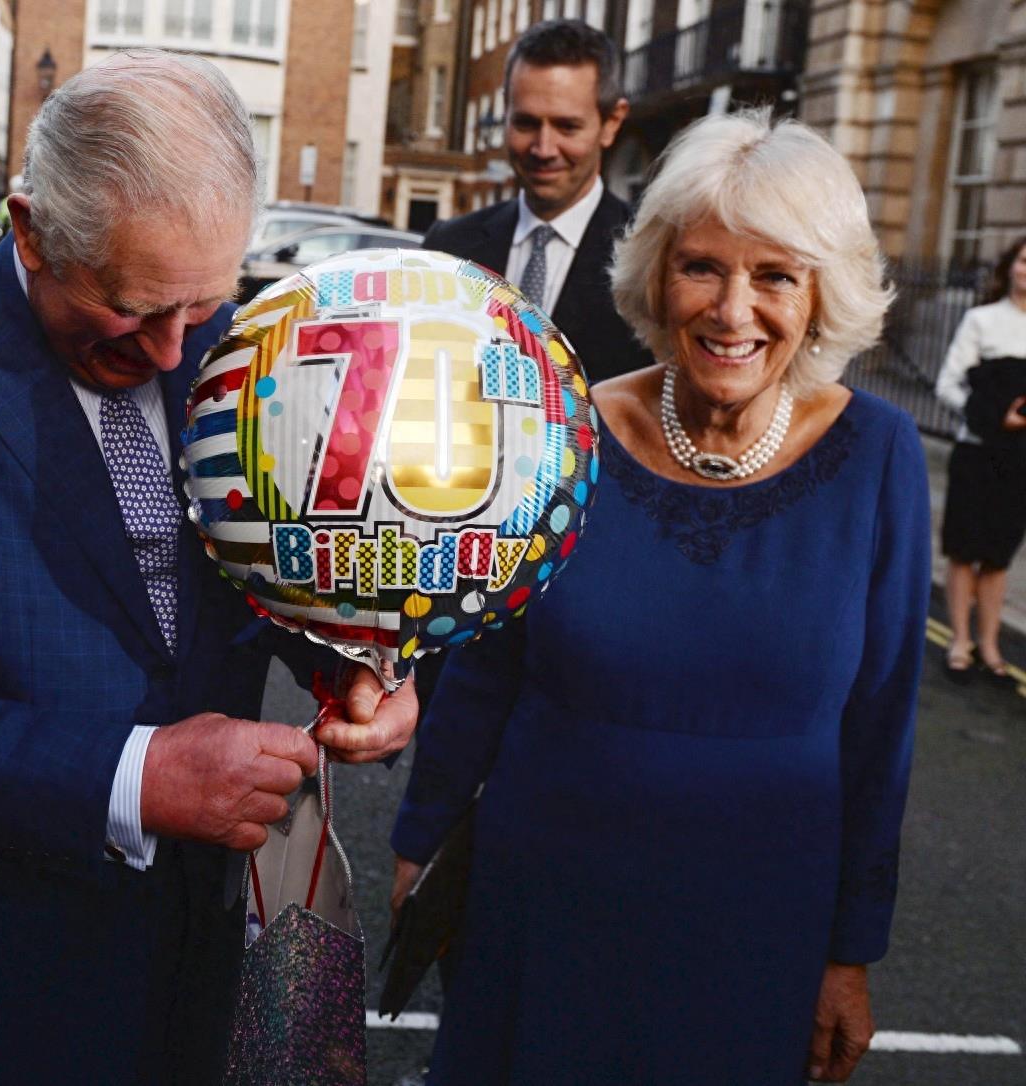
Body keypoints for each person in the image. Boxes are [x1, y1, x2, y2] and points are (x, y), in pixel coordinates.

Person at [0, 51, 417, 1085]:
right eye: (131, 309)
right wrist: (136, 779)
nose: (173, 352)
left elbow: (271, 568)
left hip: (203, 968)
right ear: (29, 230)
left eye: (201, 304)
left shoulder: (236, 359)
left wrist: (351, 655)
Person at [390, 109, 929, 1085]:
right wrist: (417, 845)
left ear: (821, 294)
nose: (731, 311)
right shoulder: (564, 427)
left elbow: (879, 727)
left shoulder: (880, 459)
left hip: (756, 926)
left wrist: (849, 952)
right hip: (543, 903)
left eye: (773, 275)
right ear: (655, 274)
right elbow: (483, 670)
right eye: (701, 268)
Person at [421, 19, 650, 384]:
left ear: (611, 122)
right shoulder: (448, 249)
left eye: (567, 127)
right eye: (526, 123)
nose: (543, 149)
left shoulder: (648, 258)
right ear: (506, 112)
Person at [934, 236, 1026, 682]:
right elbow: (948, 386)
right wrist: (992, 417)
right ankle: (960, 640)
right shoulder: (981, 320)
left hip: (1020, 461)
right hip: (977, 451)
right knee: (963, 550)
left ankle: (990, 645)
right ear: (1011, 266)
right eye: (1024, 261)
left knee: (996, 557)